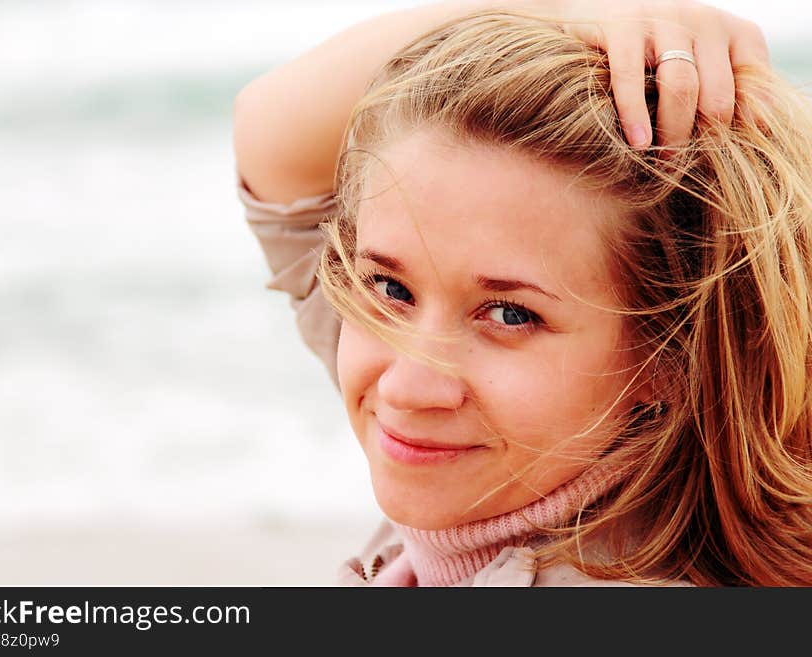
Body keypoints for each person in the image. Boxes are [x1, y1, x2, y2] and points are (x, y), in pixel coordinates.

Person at [233, 0, 812, 586]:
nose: (405, 387)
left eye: (509, 315)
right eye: (390, 287)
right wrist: (567, 11)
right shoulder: (506, 465)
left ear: (665, 359)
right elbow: (269, 138)